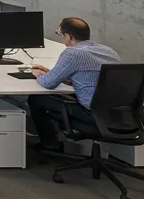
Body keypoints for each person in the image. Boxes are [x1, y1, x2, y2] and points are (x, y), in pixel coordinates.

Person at [28, 17, 121, 151]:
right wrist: (52, 72)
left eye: (61, 35)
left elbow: (48, 83)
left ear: (68, 36)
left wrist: (39, 74)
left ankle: (50, 144)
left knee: (37, 99)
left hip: (91, 114)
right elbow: (90, 77)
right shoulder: (108, 51)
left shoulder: (73, 53)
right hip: (118, 113)